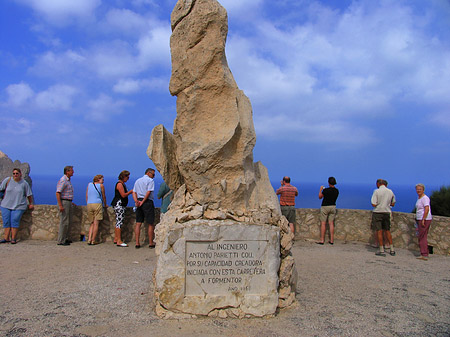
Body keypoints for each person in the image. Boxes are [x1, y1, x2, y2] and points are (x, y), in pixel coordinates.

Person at [0, 168, 34, 244]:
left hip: (19, 206)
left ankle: (13, 238)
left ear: (20, 174)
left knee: (14, 221)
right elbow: (1, 189)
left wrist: (31, 203)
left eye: (17, 173)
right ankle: (6, 238)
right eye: (14, 173)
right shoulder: (7, 180)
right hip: (5, 205)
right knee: (6, 222)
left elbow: (29, 195)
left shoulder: (24, 183)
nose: (15, 175)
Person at [371, 179, 396, 256]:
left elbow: (373, 204)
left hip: (378, 212)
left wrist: (379, 204)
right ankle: (392, 249)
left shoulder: (376, 191)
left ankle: (381, 250)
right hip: (387, 212)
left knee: (379, 231)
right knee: (387, 230)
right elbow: (393, 203)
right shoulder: (390, 191)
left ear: (378, 184)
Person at [132, 168, 156, 249]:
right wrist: (143, 201)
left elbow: (134, 192)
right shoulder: (150, 181)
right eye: (153, 174)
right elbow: (148, 192)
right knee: (150, 223)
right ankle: (150, 242)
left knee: (138, 223)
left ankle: (137, 243)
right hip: (147, 202)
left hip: (138, 201)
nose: (154, 176)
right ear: (148, 173)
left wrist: (136, 201)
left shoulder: (138, 180)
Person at [111, 170, 133, 247]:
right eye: (127, 177)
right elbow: (123, 195)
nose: (128, 178)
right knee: (119, 222)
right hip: (119, 204)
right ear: (123, 176)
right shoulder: (120, 184)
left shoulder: (122, 184)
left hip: (119, 204)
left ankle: (116, 238)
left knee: (118, 221)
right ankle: (119, 240)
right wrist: (130, 192)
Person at [317, 177, 339, 245]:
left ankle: (322, 240)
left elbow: (320, 197)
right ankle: (331, 240)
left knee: (323, 223)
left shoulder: (326, 190)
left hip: (325, 206)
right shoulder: (336, 191)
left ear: (329, 182)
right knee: (331, 223)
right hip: (333, 206)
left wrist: (320, 190)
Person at [86, 174, 107, 245]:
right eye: (102, 179)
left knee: (92, 223)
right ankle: (93, 240)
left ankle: (89, 239)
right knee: (96, 223)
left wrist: (88, 202)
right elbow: (103, 196)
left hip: (89, 204)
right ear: (98, 179)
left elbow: (87, 195)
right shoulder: (101, 186)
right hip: (97, 204)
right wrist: (105, 204)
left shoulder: (89, 184)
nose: (103, 181)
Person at [56, 166, 74, 246]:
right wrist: (60, 205)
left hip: (68, 202)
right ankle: (61, 240)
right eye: (72, 171)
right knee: (64, 222)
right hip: (64, 202)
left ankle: (65, 238)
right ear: (67, 171)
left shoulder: (68, 180)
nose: (73, 172)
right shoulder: (63, 180)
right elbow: (58, 192)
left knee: (68, 221)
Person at [415, 183, 432, 261]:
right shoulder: (420, 198)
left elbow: (427, 208)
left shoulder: (425, 198)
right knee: (423, 236)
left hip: (424, 219)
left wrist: (423, 219)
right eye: (417, 189)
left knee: (422, 237)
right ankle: (425, 252)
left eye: (420, 189)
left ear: (423, 190)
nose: (418, 190)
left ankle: (424, 254)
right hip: (420, 218)